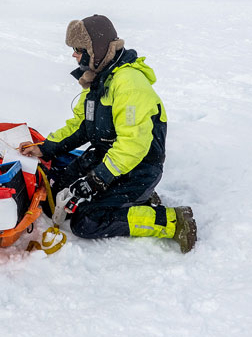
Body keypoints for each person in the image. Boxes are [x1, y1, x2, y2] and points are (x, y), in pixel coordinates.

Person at [20, 14, 197, 253]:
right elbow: (82, 125)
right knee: (53, 194)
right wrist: (45, 147)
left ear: (97, 50)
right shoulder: (98, 80)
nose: (74, 55)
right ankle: (136, 200)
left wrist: (96, 180)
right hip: (107, 156)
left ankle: (172, 220)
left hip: (139, 167)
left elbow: (133, 145)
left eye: (79, 49)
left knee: (86, 221)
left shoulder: (129, 84)